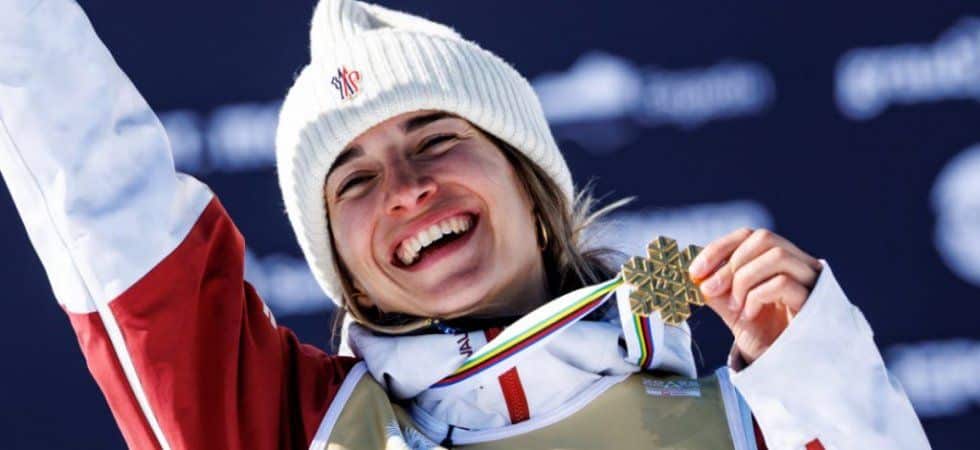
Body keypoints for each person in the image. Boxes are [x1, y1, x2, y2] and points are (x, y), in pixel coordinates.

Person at [0, 0, 931, 449]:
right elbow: (98, 188)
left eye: (436, 138)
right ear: (346, 272)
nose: (406, 189)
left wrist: (825, 382)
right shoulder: (297, 433)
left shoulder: (750, 417)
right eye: (353, 181)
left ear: (530, 180)